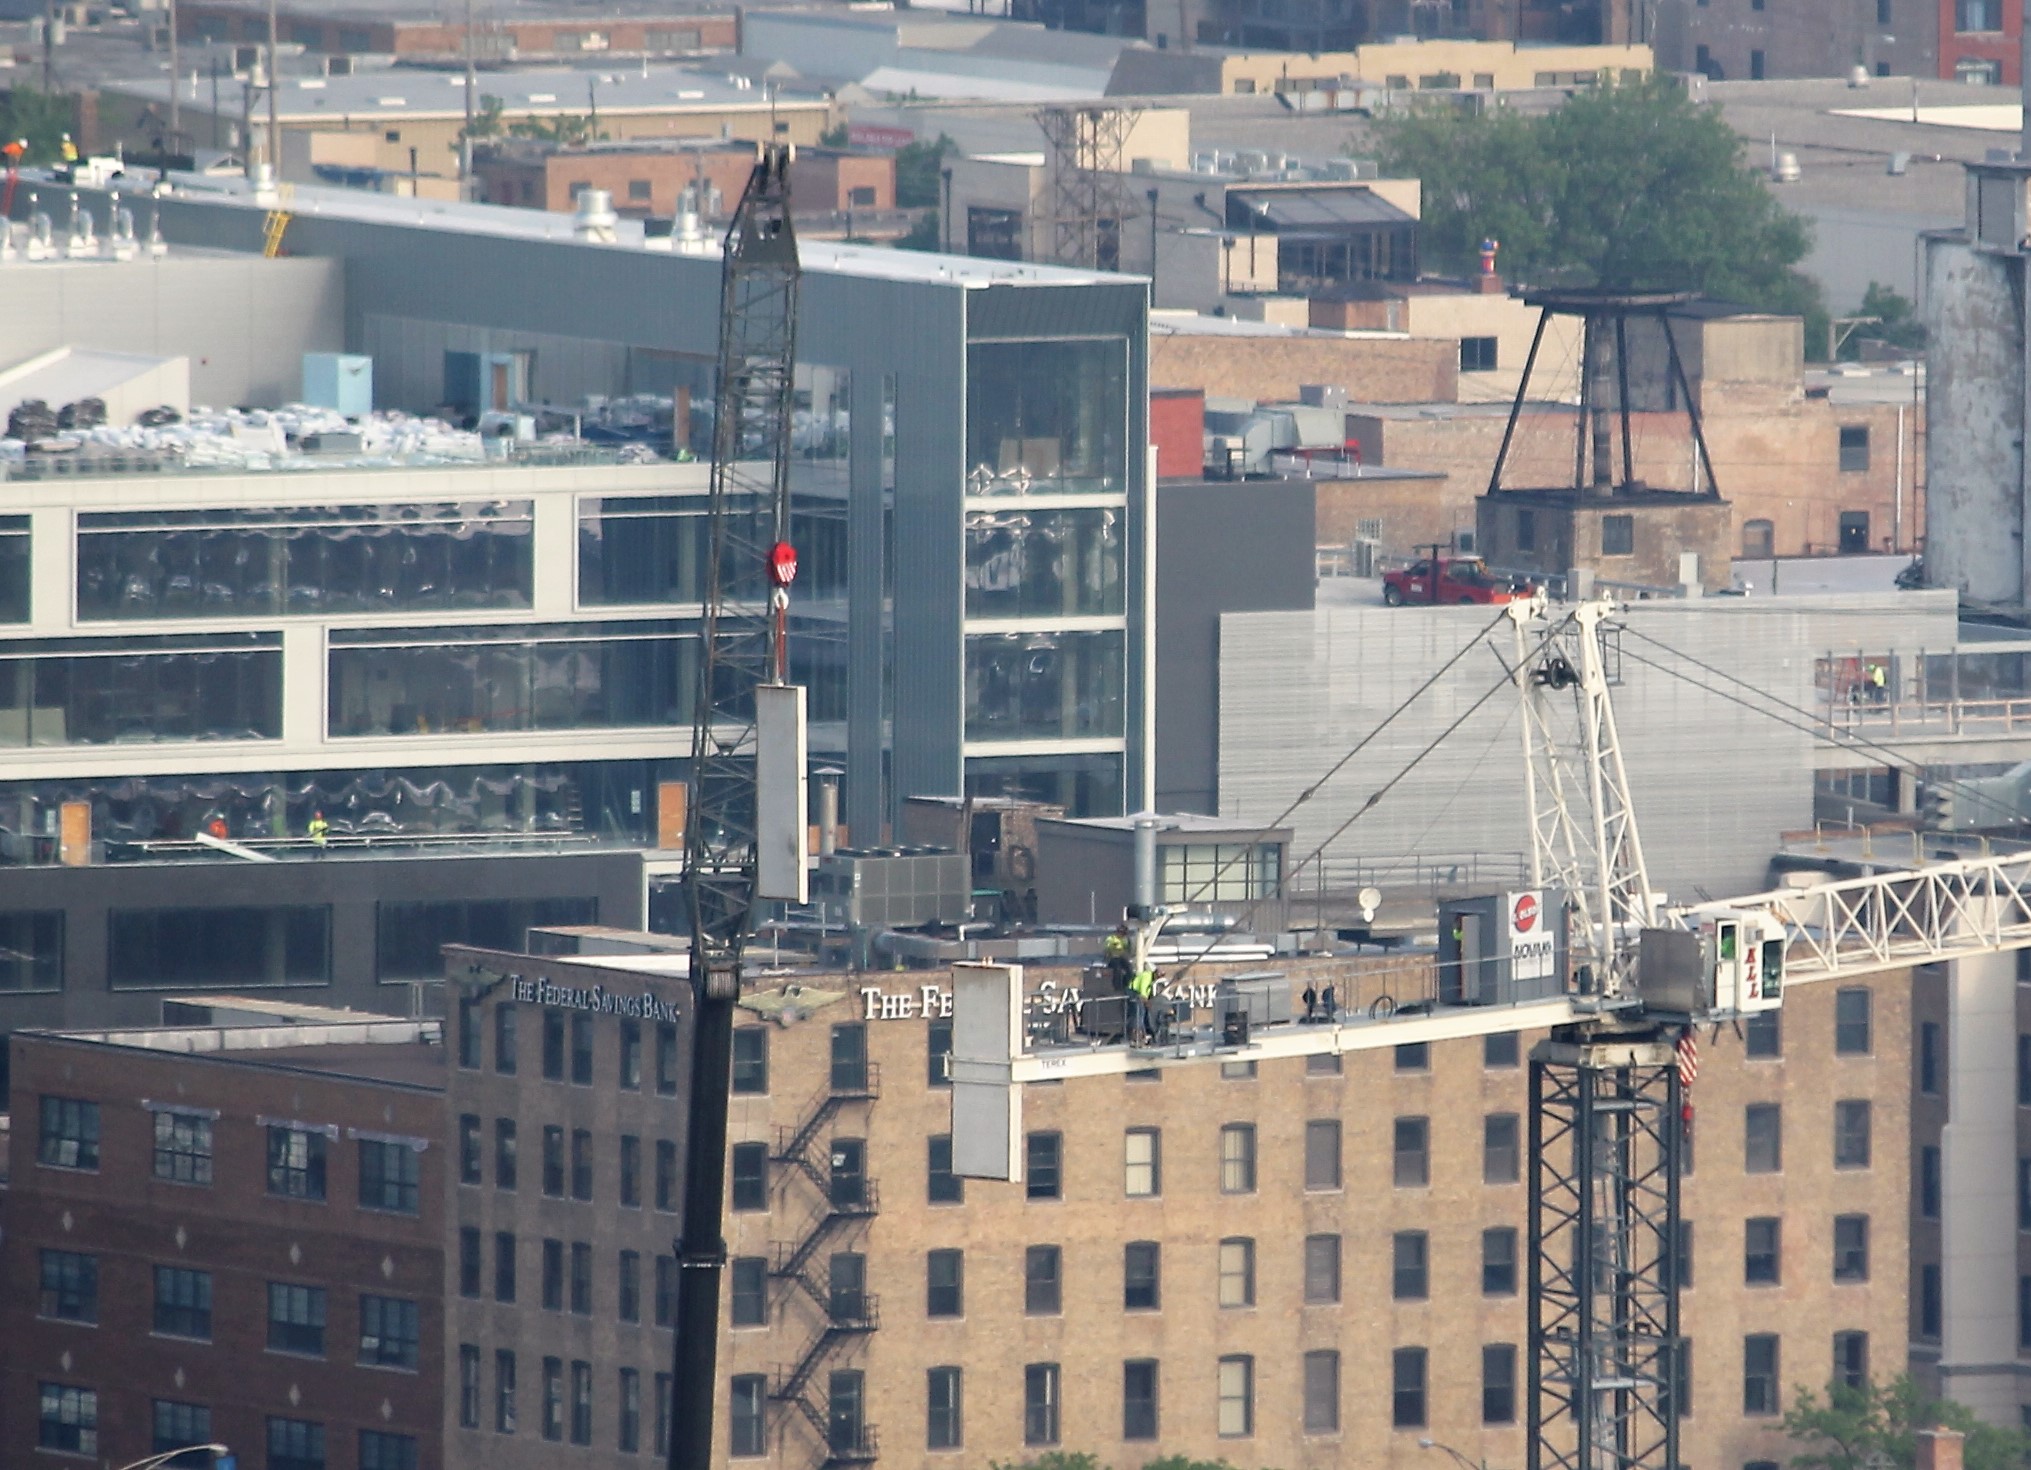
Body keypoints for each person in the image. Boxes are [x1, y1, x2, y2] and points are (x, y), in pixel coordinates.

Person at [1127, 964, 1156, 1044]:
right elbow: (1143, 992)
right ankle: (1137, 1035)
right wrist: (1147, 1003)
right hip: (1133, 993)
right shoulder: (1147, 976)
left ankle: (1142, 1034)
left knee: (1141, 1014)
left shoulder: (1150, 978)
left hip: (1137, 994)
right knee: (1139, 1013)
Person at [1102, 922, 1131, 989]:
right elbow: (1107, 950)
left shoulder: (1125, 940)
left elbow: (1127, 950)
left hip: (1121, 958)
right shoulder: (1111, 939)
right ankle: (1117, 987)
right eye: (1121, 932)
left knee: (1129, 968)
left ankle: (1127, 984)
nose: (1122, 935)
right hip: (1113, 958)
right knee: (1118, 969)